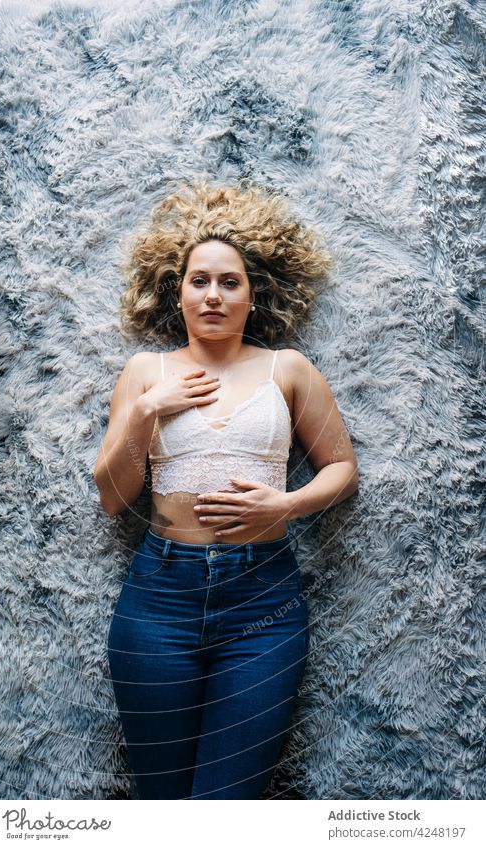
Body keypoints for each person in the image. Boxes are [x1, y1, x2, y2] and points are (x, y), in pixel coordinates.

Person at [94, 179, 359, 799]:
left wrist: (287, 505)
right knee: (161, 805)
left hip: (261, 603)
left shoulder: (287, 368)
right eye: (198, 281)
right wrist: (145, 412)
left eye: (229, 282)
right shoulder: (144, 372)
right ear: (179, 292)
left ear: (251, 296)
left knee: (226, 808)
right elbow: (112, 499)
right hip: (158, 602)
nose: (213, 295)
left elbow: (341, 469)